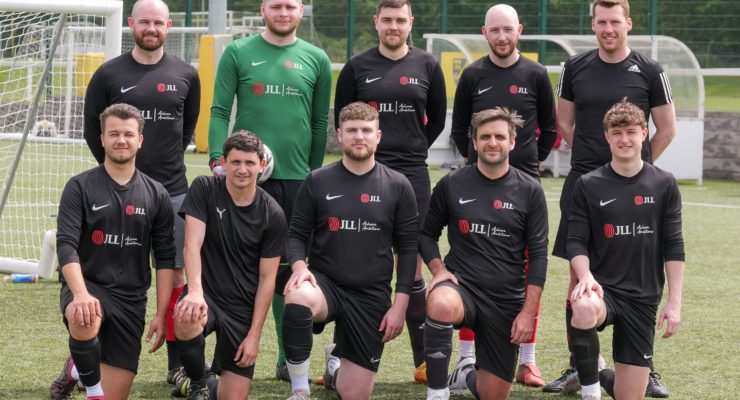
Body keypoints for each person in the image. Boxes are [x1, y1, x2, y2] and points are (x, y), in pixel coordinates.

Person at [547, 0, 676, 396]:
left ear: (628, 24)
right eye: (601, 22)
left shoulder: (650, 70)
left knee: (640, 272)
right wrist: (596, 167)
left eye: (614, 22)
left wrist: (636, 167)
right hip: (584, 184)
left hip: (638, 191)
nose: (608, 29)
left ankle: (644, 367)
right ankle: (579, 366)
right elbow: (564, 122)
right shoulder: (575, 68)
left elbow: (666, 129)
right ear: (593, 24)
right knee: (578, 278)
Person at [207, 0, 332, 380]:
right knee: (236, 270)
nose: (283, 12)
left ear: (300, 10)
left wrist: (312, 173)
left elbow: (319, 121)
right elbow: (218, 111)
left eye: (290, 6)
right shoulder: (238, 52)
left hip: (296, 182)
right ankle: (228, 354)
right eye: (276, 5)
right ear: (263, 9)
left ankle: (285, 357)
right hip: (245, 181)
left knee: (286, 273)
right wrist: (217, 159)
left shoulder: (317, 58)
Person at [82, 0, 201, 387]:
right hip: (119, 193)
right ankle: (85, 363)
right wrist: (120, 175)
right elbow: (92, 131)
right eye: (144, 22)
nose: (151, 28)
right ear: (132, 24)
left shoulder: (186, 73)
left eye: (158, 23)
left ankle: (177, 364)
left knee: (176, 274)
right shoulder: (108, 73)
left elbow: (186, 131)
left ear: (169, 26)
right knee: (111, 274)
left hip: (174, 194)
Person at [333, 0, 447, 383]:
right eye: (388, 20)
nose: (394, 26)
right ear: (376, 22)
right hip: (363, 174)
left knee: (411, 265)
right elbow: (343, 118)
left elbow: (435, 119)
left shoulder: (428, 65)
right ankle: (339, 357)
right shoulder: (356, 67)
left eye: (401, 20)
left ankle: (423, 359)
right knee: (354, 256)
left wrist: (408, 147)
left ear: (410, 23)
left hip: (412, 173)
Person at [449, 4, 557, 387]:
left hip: (524, 186)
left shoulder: (536, 73)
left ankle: (528, 361)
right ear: (484, 32)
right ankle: (465, 361)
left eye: (507, 29)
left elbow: (550, 130)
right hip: (478, 185)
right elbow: (460, 127)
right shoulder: (473, 74)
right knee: (470, 269)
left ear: (519, 31)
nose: (501, 36)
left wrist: (528, 163)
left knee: (526, 271)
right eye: (494, 30)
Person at [280, 102, 418, 400]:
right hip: (325, 285)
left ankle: (336, 366)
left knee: (354, 394)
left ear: (378, 136)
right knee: (298, 295)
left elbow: (407, 249)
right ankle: (300, 389)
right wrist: (299, 268)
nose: (360, 136)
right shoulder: (318, 180)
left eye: (366, 130)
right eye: (352, 130)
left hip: (371, 295)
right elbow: (296, 235)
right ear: (340, 135)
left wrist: (400, 305)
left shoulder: (398, 185)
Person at [420, 107, 549, 400]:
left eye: (500, 137)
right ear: (475, 143)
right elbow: (426, 234)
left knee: (493, 394)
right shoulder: (453, 183)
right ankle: (437, 392)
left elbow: (539, 255)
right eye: (485, 137)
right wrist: (439, 270)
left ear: (512, 143)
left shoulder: (530, 190)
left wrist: (528, 312)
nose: (493, 142)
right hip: (461, 288)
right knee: (440, 303)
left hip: (505, 300)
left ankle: (466, 374)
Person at [50, 103, 176, 400]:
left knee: (116, 395)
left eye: (129, 134)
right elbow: (66, 245)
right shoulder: (79, 186)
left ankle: (76, 368)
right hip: (88, 285)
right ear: (102, 138)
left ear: (140, 140)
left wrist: (161, 313)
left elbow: (166, 258)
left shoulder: (157, 193)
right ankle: (92, 389)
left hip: (131, 299)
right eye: (114, 133)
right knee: (85, 317)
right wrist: (80, 294)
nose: (122, 140)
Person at [566, 99, 685, 400]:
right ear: (606, 136)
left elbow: (673, 245)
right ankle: (590, 392)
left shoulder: (665, 184)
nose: (624, 139)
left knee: (628, 395)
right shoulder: (588, 184)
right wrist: (585, 276)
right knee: (581, 307)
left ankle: (596, 374)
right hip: (604, 291)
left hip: (643, 298)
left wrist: (674, 301)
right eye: (616, 133)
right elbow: (575, 241)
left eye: (631, 132)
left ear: (645, 133)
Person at [173, 131, 287, 400]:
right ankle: (197, 383)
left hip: (241, 311)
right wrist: (196, 292)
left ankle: (200, 386)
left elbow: (267, 279)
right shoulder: (204, 188)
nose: (242, 169)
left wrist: (254, 336)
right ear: (223, 163)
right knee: (186, 317)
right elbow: (192, 245)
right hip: (207, 295)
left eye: (249, 163)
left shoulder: (273, 214)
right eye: (235, 162)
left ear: (262, 165)